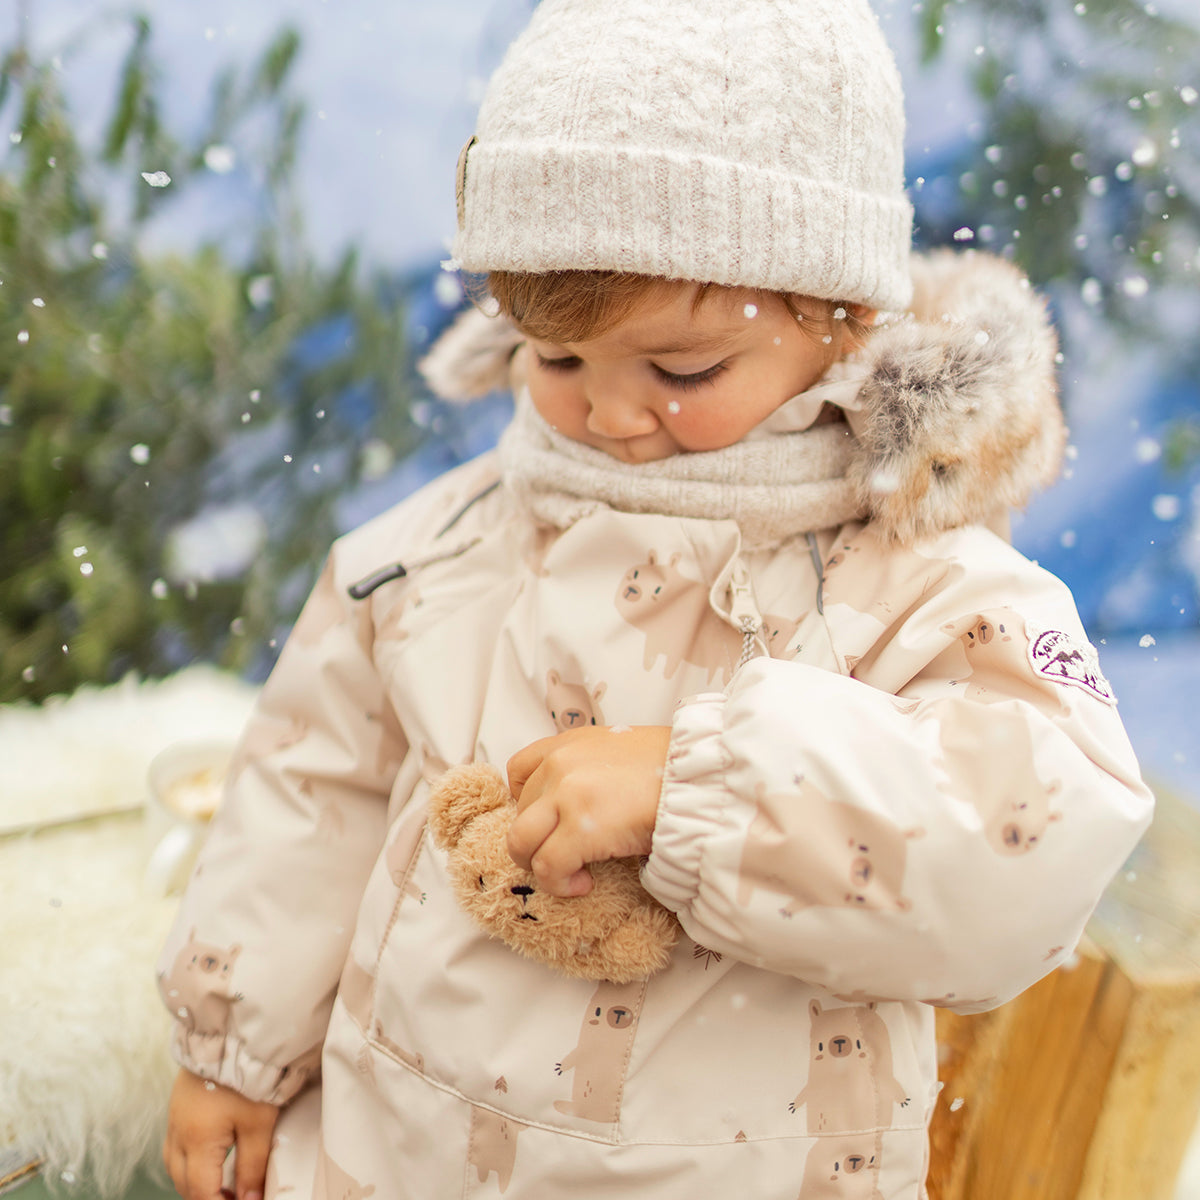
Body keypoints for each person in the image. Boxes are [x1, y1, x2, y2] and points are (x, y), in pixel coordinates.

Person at [157, 1, 1153, 1197]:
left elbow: (1039, 838)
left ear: (842, 321)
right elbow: (312, 792)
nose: (613, 417)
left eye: (683, 371)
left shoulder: (912, 577)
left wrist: (704, 785)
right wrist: (232, 1048)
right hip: (392, 1155)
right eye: (559, 358)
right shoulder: (444, 549)